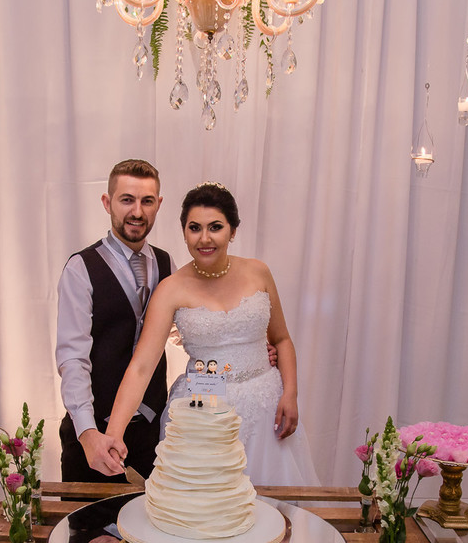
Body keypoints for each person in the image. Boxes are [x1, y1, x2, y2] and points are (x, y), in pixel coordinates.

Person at [103, 182, 321, 488]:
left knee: (272, 507)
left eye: (215, 227)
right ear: (184, 233)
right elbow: (141, 367)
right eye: (195, 228)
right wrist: (114, 432)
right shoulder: (171, 289)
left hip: (265, 407)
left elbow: (282, 340)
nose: (204, 238)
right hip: (202, 411)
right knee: (204, 504)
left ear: (233, 231)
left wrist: (290, 394)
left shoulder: (258, 272)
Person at [56, 159, 172, 482]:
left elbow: (180, 329)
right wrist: (87, 433)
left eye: (147, 201)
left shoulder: (167, 263)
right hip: (94, 438)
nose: (137, 211)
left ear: (158, 204)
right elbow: (72, 358)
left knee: (154, 516)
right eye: (127, 200)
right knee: (89, 518)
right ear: (107, 203)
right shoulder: (81, 268)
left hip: (152, 438)